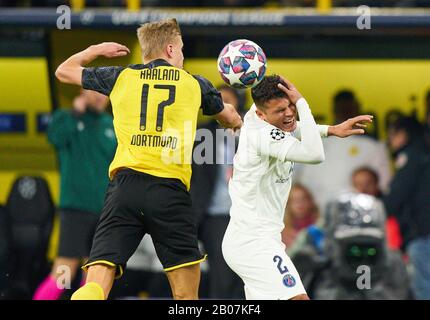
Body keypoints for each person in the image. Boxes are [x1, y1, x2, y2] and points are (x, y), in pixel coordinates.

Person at [54, 18, 242, 300]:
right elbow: (230, 119)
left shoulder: (121, 77)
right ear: (169, 49)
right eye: (180, 50)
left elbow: (64, 71)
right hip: (170, 192)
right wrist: (228, 111)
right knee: (185, 295)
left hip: (124, 188)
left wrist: (94, 50)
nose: (182, 55)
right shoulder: (195, 84)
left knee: (98, 276)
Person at [222, 75, 373, 300]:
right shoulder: (261, 136)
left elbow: (292, 126)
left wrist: (332, 129)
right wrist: (301, 102)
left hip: (258, 239)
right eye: (280, 111)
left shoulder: (260, 113)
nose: (289, 113)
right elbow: (314, 154)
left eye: (290, 105)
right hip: (253, 243)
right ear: (262, 115)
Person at [33, 89, 116, 300]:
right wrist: (75, 114)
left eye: (104, 93)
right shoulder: (65, 117)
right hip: (75, 209)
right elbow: (55, 139)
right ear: (82, 92)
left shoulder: (110, 124)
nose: (100, 97)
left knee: (95, 271)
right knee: (65, 269)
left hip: (104, 210)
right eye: (94, 92)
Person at [294, 89, 391, 211]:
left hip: (358, 216)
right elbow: (294, 180)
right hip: (314, 215)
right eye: (341, 109)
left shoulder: (373, 146)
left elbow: (383, 186)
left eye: (348, 109)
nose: (345, 114)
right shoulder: (317, 141)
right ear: (334, 111)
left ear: (357, 108)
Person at [191, 84, 244, 299]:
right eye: (219, 101)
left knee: (245, 275)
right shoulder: (201, 134)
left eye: (229, 100)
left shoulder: (251, 131)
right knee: (222, 274)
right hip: (215, 216)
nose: (224, 106)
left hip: (245, 216)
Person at [383, 115, 430, 300]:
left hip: (423, 236)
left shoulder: (411, 156)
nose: (389, 141)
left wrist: (379, 210)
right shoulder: (424, 154)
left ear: (402, 134)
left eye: (392, 135)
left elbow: (395, 198)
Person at [281, 184, 319, 250]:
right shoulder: (283, 233)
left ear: (310, 202)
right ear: (288, 205)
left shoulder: (319, 226)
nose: (299, 203)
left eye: (303, 199)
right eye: (295, 200)